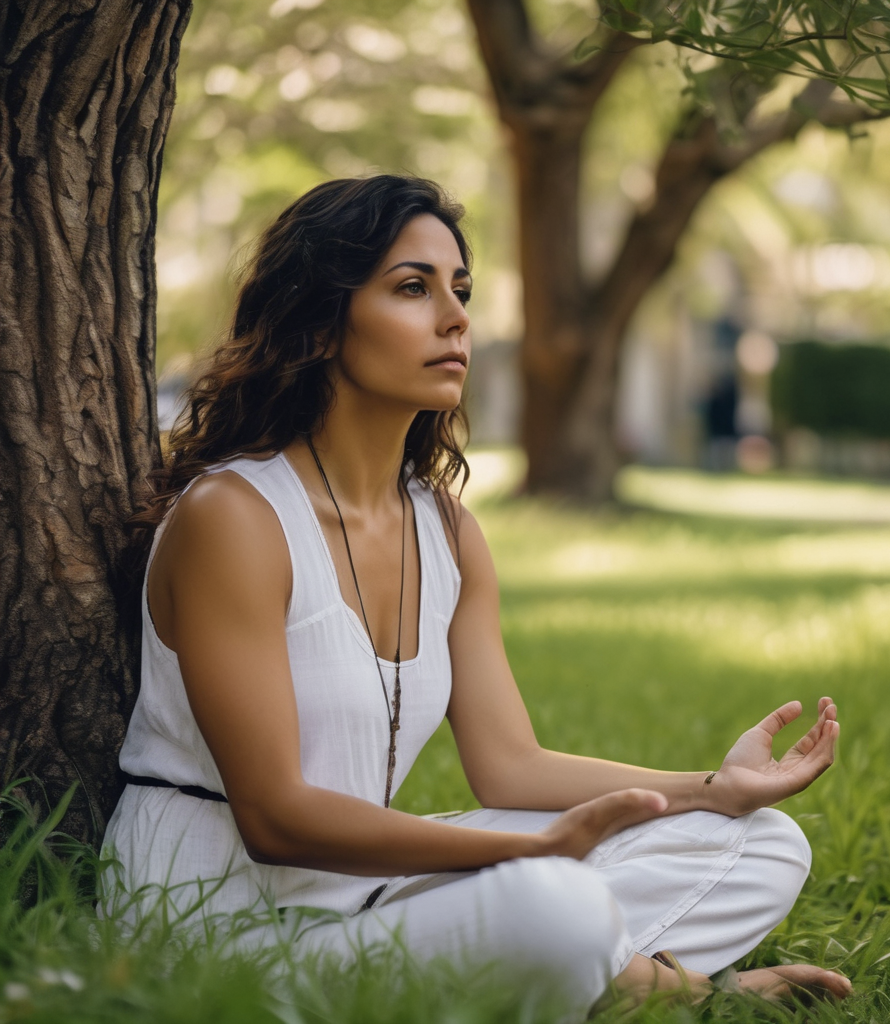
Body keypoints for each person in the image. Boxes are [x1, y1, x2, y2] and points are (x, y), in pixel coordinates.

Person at [104, 175, 850, 1018]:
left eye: (460, 289)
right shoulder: (233, 517)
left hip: (362, 889)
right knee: (551, 905)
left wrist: (715, 786)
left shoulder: (448, 532)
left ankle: (562, 961)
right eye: (412, 288)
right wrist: (510, 862)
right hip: (217, 924)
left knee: (759, 843)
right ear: (321, 318)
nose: (456, 317)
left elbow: (509, 764)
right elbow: (275, 817)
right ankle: (671, 986)